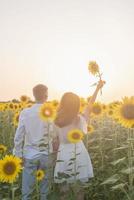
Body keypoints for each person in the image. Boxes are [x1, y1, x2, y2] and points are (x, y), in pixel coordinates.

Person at [53, 80, 105, 200]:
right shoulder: (80, 119)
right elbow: (90, 104)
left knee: (63, 191)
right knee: (79, 191)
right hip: (79, 152)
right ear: (76, 105)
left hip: (63, 155)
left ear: (62, 104)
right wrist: (97, 88)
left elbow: (55, 144)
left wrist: (55, 159)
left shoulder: (56, 121)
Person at [13, 84, 53, 200]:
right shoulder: (50, 113)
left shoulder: (25, 113)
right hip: (46, 154)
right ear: (46, 95)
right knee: (44, 193)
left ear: (34, 95)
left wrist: (18, 155)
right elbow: (53, 134)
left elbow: (19, 136)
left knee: (27, 193)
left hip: (30, 155)